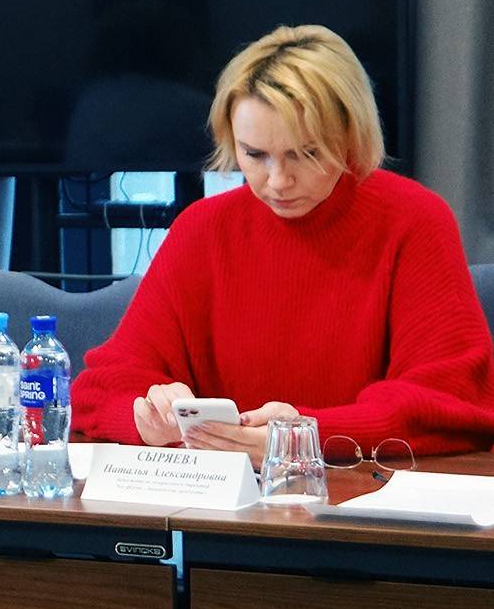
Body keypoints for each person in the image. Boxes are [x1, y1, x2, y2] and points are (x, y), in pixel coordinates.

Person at [72, 24, 494, 462]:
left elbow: (450, 402)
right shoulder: (201, 230)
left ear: (351, 135)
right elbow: (98, 391)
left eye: (306, 154)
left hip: (366, 496)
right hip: (227, 496)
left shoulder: (414, 221)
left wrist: (302, 438)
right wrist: (143, 417)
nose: (278, 181)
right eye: (254, 154)